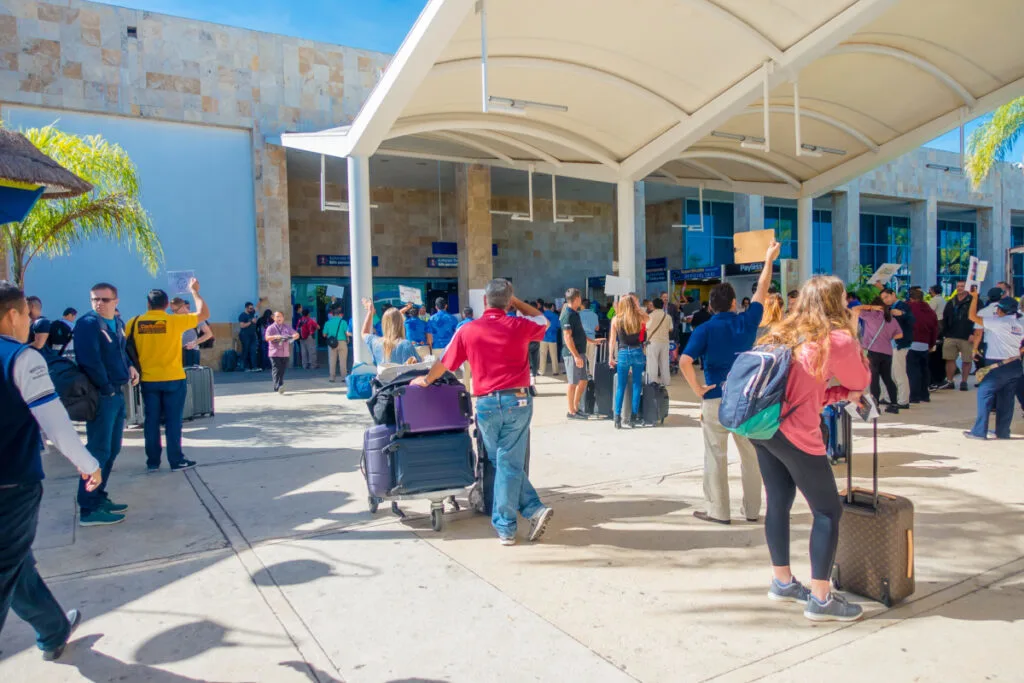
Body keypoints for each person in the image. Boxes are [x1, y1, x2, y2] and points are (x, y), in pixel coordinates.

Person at [753, 275, 871, 622]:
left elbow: (806, 389)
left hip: (763, 426)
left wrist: (836, 395)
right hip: (797, 432)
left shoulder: (783, 332)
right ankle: (820, 598)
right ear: (838, 303)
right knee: (828, 511)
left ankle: (783, 580)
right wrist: (853, 330)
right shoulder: (836, 339)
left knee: (778, 501)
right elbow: (860, 381)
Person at [0, 281, 104, 661]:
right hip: (11, 484)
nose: (31, 322)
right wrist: (89, 465)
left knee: (16, 565)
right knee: (6, 566)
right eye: (27, 315)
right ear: (12, 315)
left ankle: (54, 629)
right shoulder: (22, 358)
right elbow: (56, 422)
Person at [411, 279, 553, 546]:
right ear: (509, 302)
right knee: (508, 462)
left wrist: (426, 381)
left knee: (502, 462)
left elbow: (446, 362)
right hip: (518, 401)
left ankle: (510, 524)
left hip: (486, 403)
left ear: (485, 301)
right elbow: (543, 321)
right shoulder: (520, 325)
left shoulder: (468, 329)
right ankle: (525, 514)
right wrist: (517, 303)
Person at [681, 241, 779, 525]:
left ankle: (718, 511)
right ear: (735, 303)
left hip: (715, 399)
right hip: (746, 401)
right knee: (750, 457)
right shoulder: (747, 322)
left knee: (715, 456)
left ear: (711, 306)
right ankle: (751, 510)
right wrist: (768, 259)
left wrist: (698, 389)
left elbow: (686, 361)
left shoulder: (705, 328)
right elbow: (762, 289)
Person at [73, 282, 138, 527]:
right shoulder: (88, 324)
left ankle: (98, 496)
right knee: (98, 451)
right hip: (103, 395)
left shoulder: (117, 324)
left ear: (116, 301)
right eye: (95, 299)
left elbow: (121, 351)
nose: (99, 303)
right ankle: (88, 507)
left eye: (104, 299)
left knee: (112, 450)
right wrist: (107, 388)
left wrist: (131, 366)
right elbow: (90, 361)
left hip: (117, 393)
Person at [128, 281, 208, 472]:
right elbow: (204, 314)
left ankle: (153, 461)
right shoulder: (174, 321)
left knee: (151, 421)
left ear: (148, 304)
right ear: (166, 305)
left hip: (148, 380)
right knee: (173, 421)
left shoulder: (134, 322)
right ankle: (176, 459)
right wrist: (195, 292)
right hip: (173, 378)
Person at [964, 293, 1023, 440]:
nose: (996, 312)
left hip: (997, 365)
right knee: (1007, 400)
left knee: (984, 395)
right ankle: (1002, 432)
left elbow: (972, 316)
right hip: (1015, 364)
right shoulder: (1020, 323)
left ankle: (979, 432)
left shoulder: (999, 323)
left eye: (998, 309)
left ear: (1002, 311)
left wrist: (975, 297)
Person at [853, 297, 904, 415]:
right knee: (888, 379)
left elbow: (854, 309)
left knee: (874, 379)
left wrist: (870, 307)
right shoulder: (891, 318)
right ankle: (894, 404)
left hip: (872, 351)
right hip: (887, 352)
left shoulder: (870, 315)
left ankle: (875, 406)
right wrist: (886, 338)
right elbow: (900, 335)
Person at [608, 295, 649, 429]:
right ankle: (632, 417)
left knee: (621, 386)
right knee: (637, 384)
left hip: (623, 352)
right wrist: (637, 307)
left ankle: (617, 418)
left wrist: (610, 356)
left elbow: (612, 340)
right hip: (637, 351)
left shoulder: (616, 319)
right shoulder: (639, 318)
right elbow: (648, 318)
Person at [879, 288, 914, 409]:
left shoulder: (902, 306)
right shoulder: (889, 308)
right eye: (883, 299)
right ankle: (891, 398)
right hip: (891, 345)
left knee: (899, 373)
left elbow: (911, 320)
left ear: (893, 294)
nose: (885, 300)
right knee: (892, 373)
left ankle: (903, 400)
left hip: (900, 344)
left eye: (886, 297)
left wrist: (902, 314)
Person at [560, 289, 592, 419]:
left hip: (580, 352)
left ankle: (576, 406)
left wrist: (591, 340)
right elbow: (567, 337)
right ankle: (571, 411)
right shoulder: (567, 314)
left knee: (583, 381)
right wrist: (576, 356)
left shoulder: (575, 313)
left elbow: (579, 332)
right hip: (572, 353)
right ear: (577, 299)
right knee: (573, 382)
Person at [361, 298, 421, 366]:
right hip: (402, 376)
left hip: (382, 376)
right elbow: (416, 366)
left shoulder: (375, 342)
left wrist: (370, 311)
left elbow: (364, 333)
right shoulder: (406, 345)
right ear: (401, 324)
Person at [939, 281, 974, 391]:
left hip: (967, 335)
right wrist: (944, 333)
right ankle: (950, 381)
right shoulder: (951, 302)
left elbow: (978, 318)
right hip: (951, 335)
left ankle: (964, 381)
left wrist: (973, 333)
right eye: (958, 286)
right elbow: (945, 318)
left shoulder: (974, 302)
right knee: (949, 359)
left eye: (962, 286)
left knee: (967, 360)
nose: (960, 288)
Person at [907, 288, 939, 404]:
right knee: (924, 370)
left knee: (913, 371)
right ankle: (924, 395)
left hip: (912, 342)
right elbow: (935, 328)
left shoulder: (909, 308)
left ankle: (914, 396)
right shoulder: (930, 311)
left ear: (911, 298)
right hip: (925, 344)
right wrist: (932, 343)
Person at [171, 298, 212, 367]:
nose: (175, 312)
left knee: (191, 376)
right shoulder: (172, 319)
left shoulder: (194, 318)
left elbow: (208, 334)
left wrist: (195, 342)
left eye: (176, 310)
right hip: (176, 352)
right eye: (173, 310)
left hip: (191, 351)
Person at [265, 312, 299, 394]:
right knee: (276, 369)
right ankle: (278, 386)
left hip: (285, 353)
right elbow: (267, 338)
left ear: (283, 318)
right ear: (274, 318)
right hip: (274, 352)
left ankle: (280, 383)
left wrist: (294, 336)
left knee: (282, 370)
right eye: (277, 317)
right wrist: (275, 337)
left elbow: (296, 334)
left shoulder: (287, 327)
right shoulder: (271, 328)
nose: (279, 318)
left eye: (280, 316)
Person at [645, 297, 674, 387]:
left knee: (652, 362)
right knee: (665, 362)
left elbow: (646, 328)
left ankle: (653, 381)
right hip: (665, 342)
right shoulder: (667, 316)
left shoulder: (650, 316)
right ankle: (666, 381)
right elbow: (671, 329)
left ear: (653, 305)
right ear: (662, 305)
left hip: (653, 342)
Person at [322, 306, 349, 383]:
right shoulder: (343, 322)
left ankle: (332, 377)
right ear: (339, 314)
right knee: (343, 361)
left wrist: (330, 337)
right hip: (342, 342)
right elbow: (346, 332)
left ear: (332, 314)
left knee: (332, 360)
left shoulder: (327, 323)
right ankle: (343, 377)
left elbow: (324, 334)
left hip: (332, 343)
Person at [539, 302, 561, 377]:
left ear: (544, 308)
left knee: (543, 355)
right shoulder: (555, 315)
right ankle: (555, 371)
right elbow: (558, 326)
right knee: (554, 355)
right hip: (553, 338)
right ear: (551, 307)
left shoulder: (541, 316)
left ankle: (541, 371)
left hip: (543, 338)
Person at [579, 298, 601, 371]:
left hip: (582, 339)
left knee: (582, 357)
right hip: (592, 339)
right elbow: (597, 328)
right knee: (591, 358)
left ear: (582, 305)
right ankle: (591, 374)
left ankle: (583, 376)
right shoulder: (595, 315)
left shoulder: (578, 314)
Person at [237, 302, 259, 372]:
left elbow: (257, 307)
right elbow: (242, 325)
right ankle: (244, 367)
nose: (252, 309)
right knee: (245, 351)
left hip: (252, 335)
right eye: (250, 308)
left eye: (252, 308)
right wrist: (251, 322)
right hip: (245, 335)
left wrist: (260, 301)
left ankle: (254, 367)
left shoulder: (252, 313)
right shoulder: (242, 315)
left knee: (253, 351)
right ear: (246, 308)